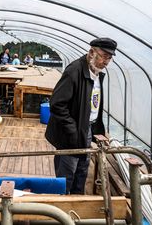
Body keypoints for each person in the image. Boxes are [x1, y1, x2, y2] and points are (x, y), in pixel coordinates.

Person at [45, 37, 117, 194]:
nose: (106, 62)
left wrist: (96, 130)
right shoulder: (74, 71)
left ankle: (77, 204)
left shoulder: (97, 73)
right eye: (104, 56)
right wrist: (73, 130)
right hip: (70, 133)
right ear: (91, 52)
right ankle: (63, 207)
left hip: (87, 129)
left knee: (82, 170)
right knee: (67, 173)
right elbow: (57, 104)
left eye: (109, 58)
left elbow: (92, 104)